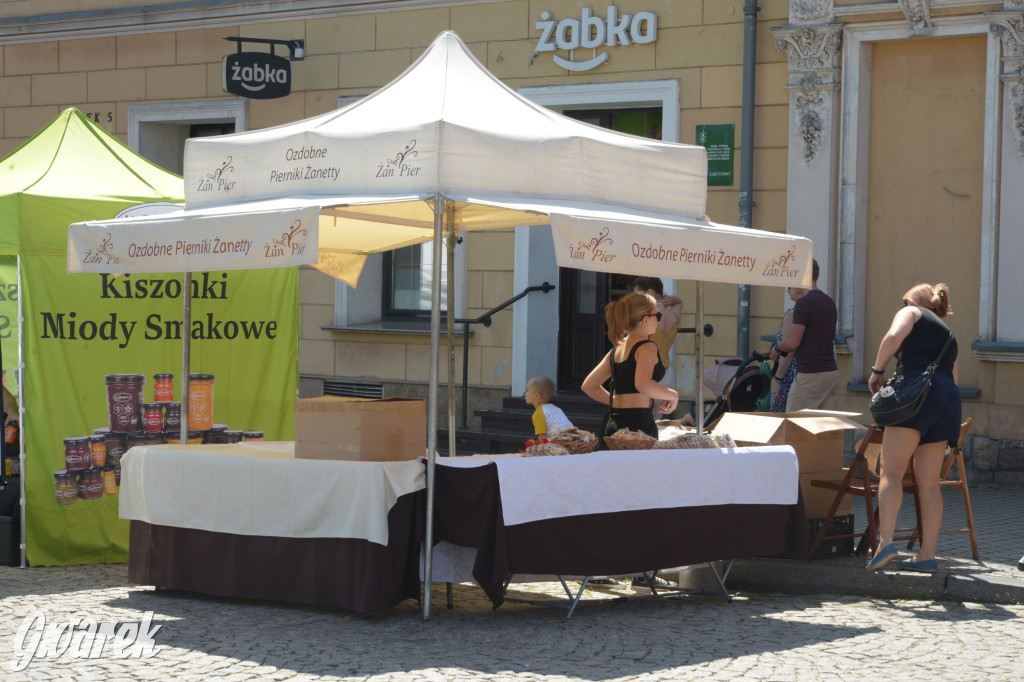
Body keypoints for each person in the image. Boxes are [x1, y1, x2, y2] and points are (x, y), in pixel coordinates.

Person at [865, 283, 960, 572]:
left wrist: (877, 370)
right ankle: (927, 554)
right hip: (947, 400)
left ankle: (886, 543)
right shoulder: (948, 334)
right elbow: (954, 378)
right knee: (929, 484)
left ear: (912, 301)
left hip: (916, 393)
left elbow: (893, 336)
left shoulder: (911, 313)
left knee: (890, 471)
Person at [582, 293, 679, 440]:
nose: (658, 320)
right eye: (657, 315)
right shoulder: (647, 347)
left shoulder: (617, 348)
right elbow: (643, 385)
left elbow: (589, 386)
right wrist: (673, 395)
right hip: (637, 425)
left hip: (612, 423)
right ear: (645, 320)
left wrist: (615, 401)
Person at [774, 259, 838, 411]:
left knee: (793, 425)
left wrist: (777, 347)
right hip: (831, 373)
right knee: (822, 430)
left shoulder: (804, 303)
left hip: (811, 374)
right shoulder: (828, 301)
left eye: (793, 275)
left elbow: (793, 344)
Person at [631, 277, 683, 381]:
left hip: (644, 371)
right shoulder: (673, 316)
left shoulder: (645, 318)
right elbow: (679, 303)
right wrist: (671, 299)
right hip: (664, 374)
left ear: (649, 292)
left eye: (638, 296)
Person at [769, 285, 808, 412]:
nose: (788, 290)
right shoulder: (813, 311)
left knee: (781, 420)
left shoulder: (792, 313)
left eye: (790, 286)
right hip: (808, 374)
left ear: (799, 288)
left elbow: (789, 350)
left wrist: (778, 380)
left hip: (789, 376)